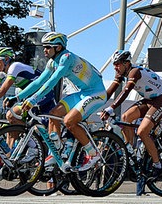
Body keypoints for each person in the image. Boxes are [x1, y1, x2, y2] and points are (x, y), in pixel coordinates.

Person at [19, 32, 107, 172]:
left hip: (97, 93)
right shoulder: (52, 62)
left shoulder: (67, 58)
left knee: (68, 121)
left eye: (47, 47)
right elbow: (39, 82)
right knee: (53, 114)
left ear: (58, 47)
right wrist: (18, 97)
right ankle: (55, 153)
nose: (44, 50)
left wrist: (33, 99)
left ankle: (93, 154)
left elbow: (52, 81)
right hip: (83, 93)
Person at [100, 50, 162, 180]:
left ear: (127, 63)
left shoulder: (134, 72)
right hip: (149, 100)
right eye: (114, 64)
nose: (116, 67)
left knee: (142, 132)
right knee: (126, 117)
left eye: (118, 64)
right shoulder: (121, 72)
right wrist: (99, 102)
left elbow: (125, 92)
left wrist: (111, 108)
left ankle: (157, 165)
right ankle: (131, 151)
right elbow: (111, 90)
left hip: (161, 100)